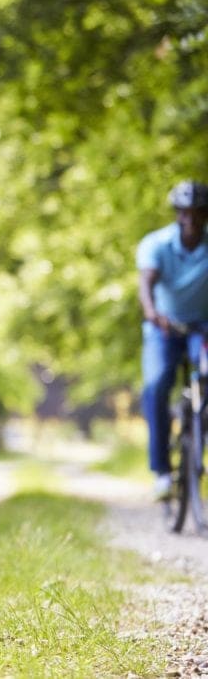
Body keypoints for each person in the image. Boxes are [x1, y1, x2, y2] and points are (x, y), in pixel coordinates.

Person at [137, 179, 208, 500]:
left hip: (202, 327)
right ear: (177, 214)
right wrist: (153, 313)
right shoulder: (157, 244)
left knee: (204, 378)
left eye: (198, 213)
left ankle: (198, 440)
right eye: (185, 212)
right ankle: (162, 472)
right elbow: (146, 284)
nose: (191, 219)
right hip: (163, 326)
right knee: (157, 384)